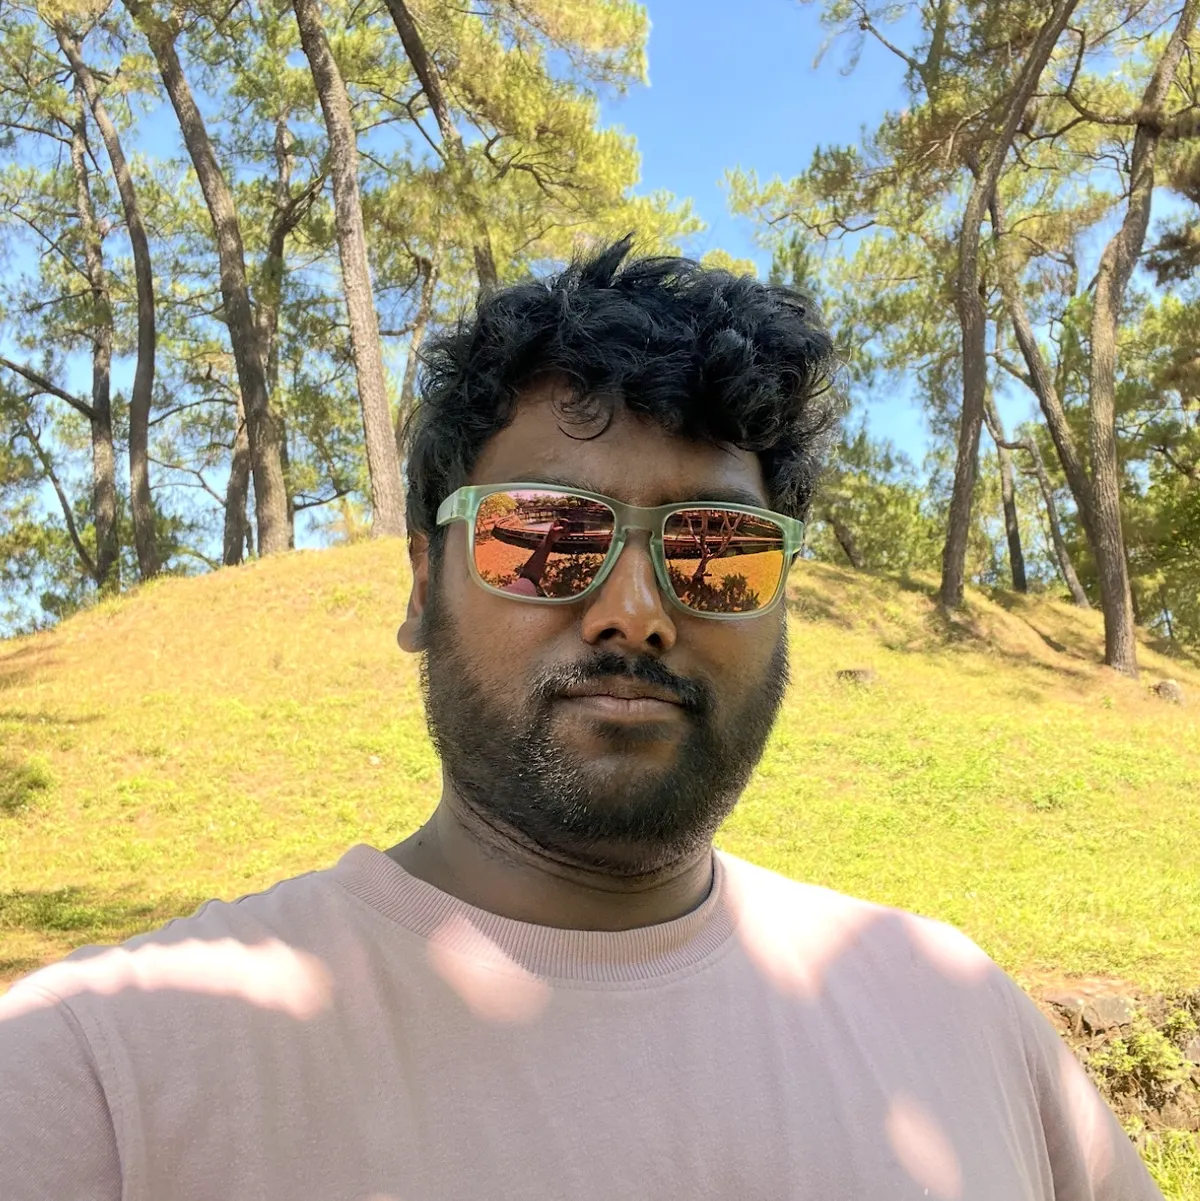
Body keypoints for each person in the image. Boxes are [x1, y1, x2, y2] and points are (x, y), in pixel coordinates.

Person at [0, 238, 1161, 1201]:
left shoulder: (960, 1013)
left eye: (717, 549)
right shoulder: (97, 1082)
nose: (636, 614)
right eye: (546, 533)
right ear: (422, 585)